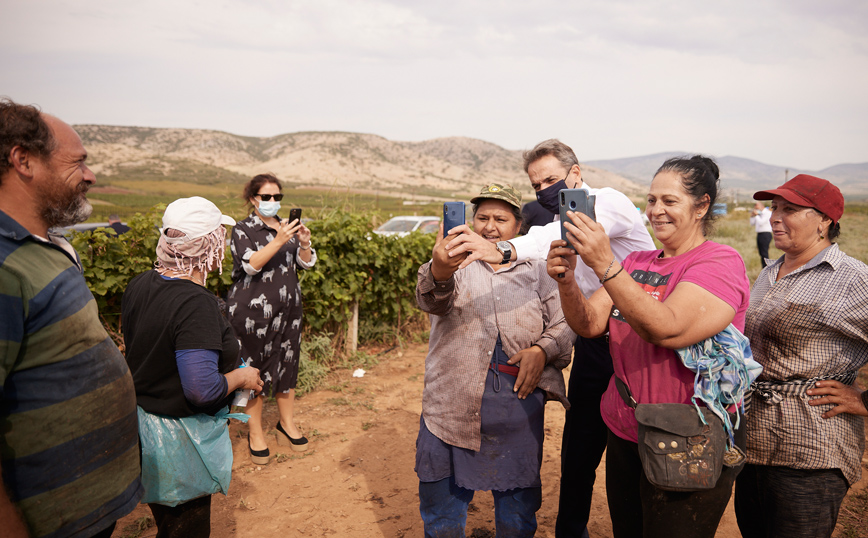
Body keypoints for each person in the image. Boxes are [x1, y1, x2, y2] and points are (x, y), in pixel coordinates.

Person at [446, 139, 655, 538]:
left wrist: (502, 249)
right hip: (596, 338)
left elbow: (563, 237)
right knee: (580, 448)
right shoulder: (549, 218)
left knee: (638, 449)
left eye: (551, 179)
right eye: (536, 183)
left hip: (640, 337)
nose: (543, 188)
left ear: (576, 174)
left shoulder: (606, 202)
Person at [547, 156, 750, 537]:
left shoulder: (719, 262)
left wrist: (606, 263)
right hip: (626, 428)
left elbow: (666, 328)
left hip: (688, 437)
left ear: (701, 205)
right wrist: (567, 281)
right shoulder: (638, 261)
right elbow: (590, 324)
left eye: (669, 201)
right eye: (651, 200)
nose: (656, 211)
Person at [0, 99, 143, 537]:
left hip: (80, 511)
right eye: (77, 163)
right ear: (24, 160)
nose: (90, 175)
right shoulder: (4, 268)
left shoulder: (45, 248)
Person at [415, 183, 575, 537]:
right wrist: (440, 269)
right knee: (442, 507)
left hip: (517, 407)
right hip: (450, 406)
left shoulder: (537, 267)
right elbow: (431, 301)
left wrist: (542, 349)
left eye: (500, 219)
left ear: (517, 227)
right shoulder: (452, 261)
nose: (489, 227)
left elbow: (565, 323)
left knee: (517, 511)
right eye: (482, 217)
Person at [734, 175, 868, 538]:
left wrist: (864, 400)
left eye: (790, 209)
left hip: (812, 448)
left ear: (825, 221)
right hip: (755, 443)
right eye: (775, 208)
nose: (776, 217)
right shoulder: (770, 272)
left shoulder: (852, 280)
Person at [122, 196, 262, 537]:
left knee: (169, 527)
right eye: (221, 236)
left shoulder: (141, 283)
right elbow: (202, 390)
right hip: (180, 440)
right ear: (209, 244)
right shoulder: (194, 303)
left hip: (146, 428)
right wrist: (243, 376)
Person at [226, 173, 316, 462]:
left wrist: (303, 243)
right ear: (253, 199)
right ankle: (255, 433)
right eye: (266, 197)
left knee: (287, 365)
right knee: (255, 369)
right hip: (252, 313)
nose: (273, 202)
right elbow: (251, 265)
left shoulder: (286, 227)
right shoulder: (243, 230)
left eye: (277, 197)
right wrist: (278, 240)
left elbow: (305, 264)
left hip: (289, 312)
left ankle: (286, 424)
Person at [750, 201, 772, 267]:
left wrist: (756, 215)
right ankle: (763, 267)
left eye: (757, 205)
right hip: (759, 234)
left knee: (764, 252)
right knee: (761, 253)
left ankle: (766, 267)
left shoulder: (767, 213)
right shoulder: (759, 214)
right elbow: (752, 223)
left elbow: (761, 222)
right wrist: (752, 216)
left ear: (762, 206)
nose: (755, 207)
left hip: (765, 234)